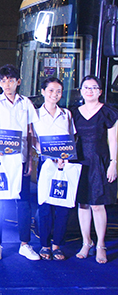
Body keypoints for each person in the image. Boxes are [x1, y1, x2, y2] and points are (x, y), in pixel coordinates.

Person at [0, 64, 39, 261]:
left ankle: (25, 244)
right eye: (3, 81)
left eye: (11, 80)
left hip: (20, 159)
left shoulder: (26, 103)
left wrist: (31, 158)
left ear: (18, 82)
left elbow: (31, 132)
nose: (7, 84)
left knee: (23, 202)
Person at [71, 75, 118, 264]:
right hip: (80, 162)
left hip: (100, 162)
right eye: (85, 87)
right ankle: (86, 242)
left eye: (93, 87)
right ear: (81, 91)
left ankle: (101, 245)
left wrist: (113, 163)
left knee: (98, 205)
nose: (89, 91)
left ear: (99, 91)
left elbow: (113, 140)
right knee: (83, 204)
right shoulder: (73, 113)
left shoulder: (108, 112)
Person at [32, 77, 75, 261]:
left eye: (58, 91)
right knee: (45, 204)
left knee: (63, 205)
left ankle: (57, 244)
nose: (54, 94)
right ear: (42, 92)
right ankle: (44, 245)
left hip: (65, 164)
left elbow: (72, 138)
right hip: (46, 163)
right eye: (50, 90)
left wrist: (64, 157)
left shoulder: (66, 114)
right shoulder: (34, 114)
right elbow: (32, 138)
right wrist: (45, 151)